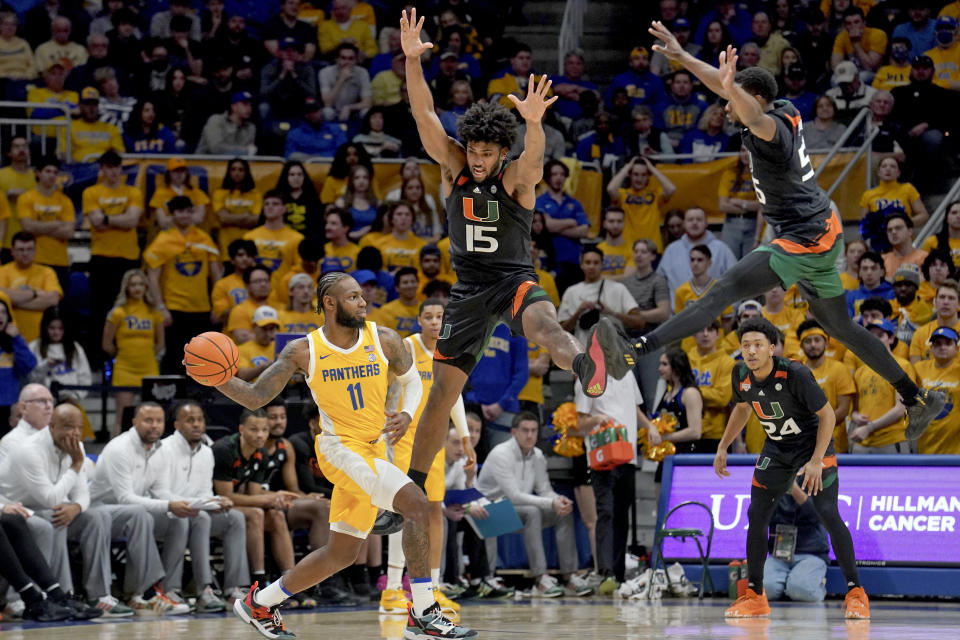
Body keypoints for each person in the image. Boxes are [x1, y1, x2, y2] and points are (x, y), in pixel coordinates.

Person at [635, 24, 944, 440]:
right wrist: (684, 59)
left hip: (805, 236)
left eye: (732, 99)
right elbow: (740, 95)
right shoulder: (783, 106)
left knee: (724, 290)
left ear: (752, 99)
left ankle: (636, 348)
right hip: (821, 229)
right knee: (840, 327)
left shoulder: (771, 131)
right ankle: (915, 397)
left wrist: (733, 90)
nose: (725, 106)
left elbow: (753, 114)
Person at [195, 272, 475, 639]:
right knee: (416, 503)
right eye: (354, 297)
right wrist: (217, 378)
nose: (363, 303)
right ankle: (423, 612)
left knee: (341, 553)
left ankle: (260, 602)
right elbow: (255, 397)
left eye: (363, 297)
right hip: (340, 449)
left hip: (374, 449)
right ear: (330, 303)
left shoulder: (384, 338)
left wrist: (407, 412)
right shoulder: (303, 351)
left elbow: (410, 381)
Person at [712, 317, 868, 617]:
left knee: (828, 513)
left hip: (813, 447)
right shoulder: (740, 373)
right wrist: (723, 445)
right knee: (756, 515)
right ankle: (755, 596)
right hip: (777, 449)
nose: (751, 351)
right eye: (746, 345)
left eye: (758, 345)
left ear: (772, 348)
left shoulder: (795, 372)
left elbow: (828, 417)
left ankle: (856, 593)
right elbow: (743, 407)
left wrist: (814, 461)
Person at [381, 298, 472, 618]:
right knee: (404, 510)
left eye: (440, 316)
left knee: (435, 511)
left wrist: (464, 436)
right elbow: (382, 384)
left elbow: (453, 397)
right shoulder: (405, 347)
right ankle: (392, 588)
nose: (435, 321)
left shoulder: (451, 351)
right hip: (403, 439)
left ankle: (432, 588)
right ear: (419, 320)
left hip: (433, 443)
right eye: (429, 316)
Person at [89, 402, 193, 614]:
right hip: (100, 511)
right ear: (135, 423)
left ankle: (168, 590)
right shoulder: (120, 448)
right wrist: (168, 504)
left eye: (158, 421)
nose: (154, 426)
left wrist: (187, 504)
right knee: (140, 514)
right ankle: (143, 594)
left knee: (178, 519)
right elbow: (125, 498)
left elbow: (162, 493)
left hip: (132, 515)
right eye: (148, 420)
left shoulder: (160, 450)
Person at [475, 411, 591, 598]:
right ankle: (540, 579)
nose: (530, 435)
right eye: (525, 430)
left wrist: (558, 500)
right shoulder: (500, 454)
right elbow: (514, 496)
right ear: (514, 432)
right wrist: (550, 502)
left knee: (563, 511)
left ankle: (570, 576)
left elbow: (545, 490)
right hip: (487, 512)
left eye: (534, 431)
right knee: (532, 511)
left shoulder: (537, 455)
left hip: (517, 511)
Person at [211, 408, 298, 602]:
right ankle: (258, 582)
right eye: (254, 429)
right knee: (256, 513)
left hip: (233, 505)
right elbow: (225, 495)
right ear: (241, 429)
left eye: (264, 430)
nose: (260, 435)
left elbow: (254, 494)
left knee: (276, 515)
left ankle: (291, 583)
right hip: (213, 505)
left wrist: (274, 498)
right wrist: (271, 497)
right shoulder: (224, 450)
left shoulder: (261, 453)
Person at [573, 369, 644, 593]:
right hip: (601, 455)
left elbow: (635, 408)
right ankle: (605, 572)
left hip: (628, 455)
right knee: (606, 512)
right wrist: (596, 419)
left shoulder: (629, 374)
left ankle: (618, 573)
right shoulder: (588, 376)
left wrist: (650, 426)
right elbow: (580, 422)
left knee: (622, 514)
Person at [144, 195, 221, 374]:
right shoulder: (163, 240)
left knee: (201, 358)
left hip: (201, 307)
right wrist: (160, 307)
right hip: (174, 308)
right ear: (172, 215)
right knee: (174, 357)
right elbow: (152, 277)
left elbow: (216, 276)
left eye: (189, 211)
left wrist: (217, 305)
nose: (185, 215)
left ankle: (200, 397)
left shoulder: (204, 239)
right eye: (180, 211)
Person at [83, 149, 143, 347]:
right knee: (100, 309)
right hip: (102, 257)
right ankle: (98, 356)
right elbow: (95, 221)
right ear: (102, 169)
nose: (113, 172)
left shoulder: (133, 192)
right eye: (109, 167)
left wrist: (107, 218)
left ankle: (127, 349)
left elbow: (133, 220)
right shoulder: (91, 192)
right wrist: (121, 218)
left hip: (128, 257)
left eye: (116, 167)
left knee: (129, 306)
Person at [102, 269, 163, 437]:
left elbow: (160, 344)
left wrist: (145, 355)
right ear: (126, 288)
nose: (137, 288)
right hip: (125, 369)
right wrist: (124, 355)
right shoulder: (118, 312)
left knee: (153, 417)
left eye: (140, 284)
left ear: (146, 287)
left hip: (149, 369)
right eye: (133, 284)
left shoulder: (154, 313)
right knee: (122, 418)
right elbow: (107, 343)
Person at [850, 319, 916, 454]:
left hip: (891, 441)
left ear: (891, 339)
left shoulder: (902, 366)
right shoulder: (860, 371)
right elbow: (854, 410)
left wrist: (869, 427)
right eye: (870, 336)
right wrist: (856, 416)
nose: (874, 340)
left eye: (880, 335)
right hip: (863, 441)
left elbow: (900, 409)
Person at [558, 247, 643, 347]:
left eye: (596, 263)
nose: (592, 266)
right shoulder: (571, 292)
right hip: (583, 352)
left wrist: (612, 312)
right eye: (588, 262)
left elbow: (639, 322)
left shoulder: (618, 289)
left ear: (602, 264)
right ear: (582, 265)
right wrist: (578, 312)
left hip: (615, 351)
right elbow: (560, 331)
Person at [762, 482, 831, 603]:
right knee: (766, 590)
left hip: (811, 553)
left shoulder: (817, 476)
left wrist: (794, 488)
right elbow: (757, 516)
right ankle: (788, 588)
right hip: (779, 554)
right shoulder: (773, 477)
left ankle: (817, 588)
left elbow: (819, 515)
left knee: (801, 590)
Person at [657, 207, 737, 308]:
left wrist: (731, 314)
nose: (694, 223)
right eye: (690, 220)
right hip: (677, 316)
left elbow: (735, 282)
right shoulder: (671, 250)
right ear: (684, 224)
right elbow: (659, 285)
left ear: (706, 223)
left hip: (714, 316)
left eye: (699, 219)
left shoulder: (722, 249)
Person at [797, 320, 857, 453]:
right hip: (802, 445)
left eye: (817, 340)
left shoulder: (839, 369)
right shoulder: (795, 372)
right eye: (808, 341)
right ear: (801, 346)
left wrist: (815, 427)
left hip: (835, 444)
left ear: (827, 343)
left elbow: (843, 409)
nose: (813, 345)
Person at [17, 156, 74, 290]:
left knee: (59, 305)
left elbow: (69, 232)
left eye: (55, 172)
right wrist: (57, 224)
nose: (52, 175)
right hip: (34, 261)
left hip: (60, 261)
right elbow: (28, 228)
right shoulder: (26, 198)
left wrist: (39, 226)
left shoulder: (65, 200)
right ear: (38, 173)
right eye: (48, 171)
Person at [536, 160, 589, 291]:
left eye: (562, 174)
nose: (559, 177)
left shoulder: (575, 203)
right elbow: (546, 226)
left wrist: (554, 227)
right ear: (548, 177)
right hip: (551, 261)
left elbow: (584, 231)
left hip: (573, 261)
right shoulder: (539, 201)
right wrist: (571, 222)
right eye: (554, 174)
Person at [0, 231, 62, 344]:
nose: (25, 253)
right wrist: (35, 293)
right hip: (8, 339)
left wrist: (13, 301)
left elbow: (53, 300)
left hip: (41, 340)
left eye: (29, 249)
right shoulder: (2, 272)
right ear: (12, 251)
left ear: (35, 250)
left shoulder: (47, 272)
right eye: (21, 249)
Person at [606, 155, 677, 252]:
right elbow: (610, 189)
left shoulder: (655, 195)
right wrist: (628, 166)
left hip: (652, 249)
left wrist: (652, 169)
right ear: (629, 175)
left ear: (648, 176)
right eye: (635, 174)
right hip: (629, 250)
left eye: (644, 175)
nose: (639, 179)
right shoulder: (623, 194)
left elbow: (671, 189)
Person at [685, 321, 736, 453]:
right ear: (694, 335)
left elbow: (722, 398)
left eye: (710, 330)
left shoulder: (728, 363)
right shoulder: (685, 360)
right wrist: (706, 394)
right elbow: (676, 394)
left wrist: (691, 395)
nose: (705, 334)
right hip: (686, 431)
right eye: (701, 330)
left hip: (716, 435)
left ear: (718, 334)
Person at [914, 326, 960, 454]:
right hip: (925, 444)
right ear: (931, 348)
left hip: (956, 449)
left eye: (948, 343)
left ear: (956, 348)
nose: (942, 347)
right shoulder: (918, 369)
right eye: (937, 344)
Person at [27, 306, 91, 397]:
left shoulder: (75, 348)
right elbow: (30, 379)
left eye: (60, 328)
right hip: (41, 400)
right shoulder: (34, 347)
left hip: (70, 401)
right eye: (52, 328)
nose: (56, 332)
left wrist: (76, 396)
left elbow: (84, 377)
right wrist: (46, 365)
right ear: (45, 328)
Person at [245, 190, 305, 281]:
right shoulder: (249, 237)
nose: (270, 207)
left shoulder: (297, 238)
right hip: (255, 289)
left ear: (284, 209)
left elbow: (300, 270)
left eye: (275, 204)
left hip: (284, 291)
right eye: (266, 204)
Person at [718, 146, 763, 260]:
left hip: (754, 223)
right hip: (731, 223)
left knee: (748, 265)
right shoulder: (729, 174)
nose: (746, 154)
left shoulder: (762, 175)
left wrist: (740, 203)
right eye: (743, 150)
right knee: (730, 264)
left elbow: (763, 205)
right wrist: (751, 206)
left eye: (750, 150)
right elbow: (722, 206)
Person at [214, 158, 263, 259]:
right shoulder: (219, 193)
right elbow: (223, 219)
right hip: (226, 244)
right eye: (233, 169)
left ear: (246, 172)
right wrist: (245, 216)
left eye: (241, 170)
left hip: (249, 244)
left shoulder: (256, 194)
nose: (237, 173)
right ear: (229, 172)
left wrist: (231, 217)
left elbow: (256, 220)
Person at [859, 157, 929, 228]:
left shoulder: (908, 188)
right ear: (878, 172)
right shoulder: (868, 194)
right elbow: (863, 224)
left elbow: (923, 215)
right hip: (879, 236)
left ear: (898, 173)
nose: (888, 169)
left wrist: (905, 223)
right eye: (884, 166)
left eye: (893, 166)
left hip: (903, 236)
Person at [0, 299, 36, 426]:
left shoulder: (14, 342)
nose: (0, 316)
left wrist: (17, 339)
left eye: (3, 312)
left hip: (10, 406)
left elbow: (28, 366)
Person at [148, 157, 210, 231]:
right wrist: (187, 218)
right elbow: (162, 222)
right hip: (169, 236)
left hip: (192, 235)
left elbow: (199, 219)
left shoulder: (197, 193)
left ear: (186, 173)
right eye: (175, 171)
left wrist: (173, 218)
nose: (179, 174)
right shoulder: (160, 193)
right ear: (168, 173)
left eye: (182, 171)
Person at [910, 280, 960, 363]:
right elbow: (916, 369)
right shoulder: (920, 334)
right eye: (942, 297)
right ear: (935, 302)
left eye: (951, 298)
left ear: (959, 304)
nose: (946, 302)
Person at [226, 265, 273, 344]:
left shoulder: (279, 307)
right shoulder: (239, 310)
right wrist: (277, 338)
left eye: (266, 280)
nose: (263, 284)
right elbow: (242, 339)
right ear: (247, 286)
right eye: (258, 281)